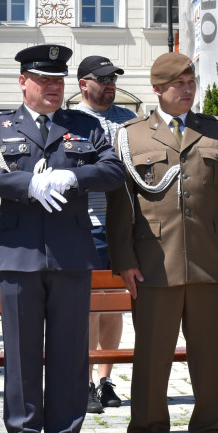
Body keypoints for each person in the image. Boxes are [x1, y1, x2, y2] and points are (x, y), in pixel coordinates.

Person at [0, 44, 125, 433]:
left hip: (71, 254)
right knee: (20, 355)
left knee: (70, 354)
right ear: (23, 82)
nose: (52, 88)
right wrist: (25, 185)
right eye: (43, 80)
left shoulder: (85, 126)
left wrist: (74, 174)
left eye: (58, 81)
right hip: (19, 255)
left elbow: (113, 172)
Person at [106, 52, 218, 433]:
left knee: (210, 355)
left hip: (210, 263)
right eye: (178, 83)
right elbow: (120, 208)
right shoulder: (132, 136)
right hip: (154, 264)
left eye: (191, 82)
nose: (187, 89)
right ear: (158, 89)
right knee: (152, 357)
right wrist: (125, 260)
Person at [73, 55, 136, 414]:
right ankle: (82, 380)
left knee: (114, 306)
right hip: (90, 225)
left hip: (124, 226)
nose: (110, 84)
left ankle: (105, 378)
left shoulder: (129, 120)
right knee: (88, 308)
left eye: (113, 78)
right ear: (84, 83)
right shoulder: (73, 121)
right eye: (103, 79)